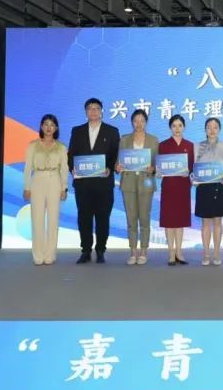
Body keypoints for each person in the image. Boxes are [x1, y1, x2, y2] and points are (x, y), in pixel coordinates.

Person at [67, 98, 120, 264]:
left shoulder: (112, 131)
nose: (94, 111)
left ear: (102, 111)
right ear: (86, 112)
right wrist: (72, 168)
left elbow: (115, 155)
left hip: (103, 183)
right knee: (84, 218)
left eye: (97, 108)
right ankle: (86, 250)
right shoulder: (77, 131)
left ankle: (101, 249)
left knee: (103, 218)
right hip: (83, 184)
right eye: (90, 108)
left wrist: (109, 168)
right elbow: (71, 155)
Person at [22, 114, 68, 266]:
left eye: (52, 125)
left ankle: (50, 255)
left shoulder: (61, 147)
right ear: (41, 127)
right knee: (37, 218)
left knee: (53, 219)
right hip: (38, 179)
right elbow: (28, 168)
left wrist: (64, 188)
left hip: (54, 179)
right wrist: (27, 187)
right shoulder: (33, 145)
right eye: (46, 124)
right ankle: (38, 255)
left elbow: (64, 169)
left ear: (56, 128)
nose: (49, 128)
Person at [116, 109, 159, 266]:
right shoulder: (124, 139)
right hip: (128, 182)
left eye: (142, 121)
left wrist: (153, 169)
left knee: (144, 219)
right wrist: (117, 167)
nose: (139, 124)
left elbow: (158, 164)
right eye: (136, 121)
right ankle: (133, 252)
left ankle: (144, 251)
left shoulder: (153, 140)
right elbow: (118, 162)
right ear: (132, 122)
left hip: (146, 183)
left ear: (146, 122)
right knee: (131, 219)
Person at [195, 117, 223, 266]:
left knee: (217, 222)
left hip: (219, 186)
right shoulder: (198, 146)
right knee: (205, 223)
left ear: (219, 130)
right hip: (204, 187)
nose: (212, 130)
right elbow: (194, 167)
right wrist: (194, 178)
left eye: (215, 127)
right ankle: (206, 254)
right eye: (209, 127)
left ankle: (216, 253)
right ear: (205, 129)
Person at [159, 114, 194, 265]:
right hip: (168, 187)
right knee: (169, 220)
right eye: (174, 126)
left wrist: (190, 174)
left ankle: (179, 252)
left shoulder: (190, 145)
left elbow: (192, 168)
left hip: (183, 187)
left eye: (180, 125)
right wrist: (158, 172)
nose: (177, 128)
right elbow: (159, 167)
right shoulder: (163, 145)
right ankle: (171, 253)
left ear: (184, 127)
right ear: (170, 127)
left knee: (180, 220)